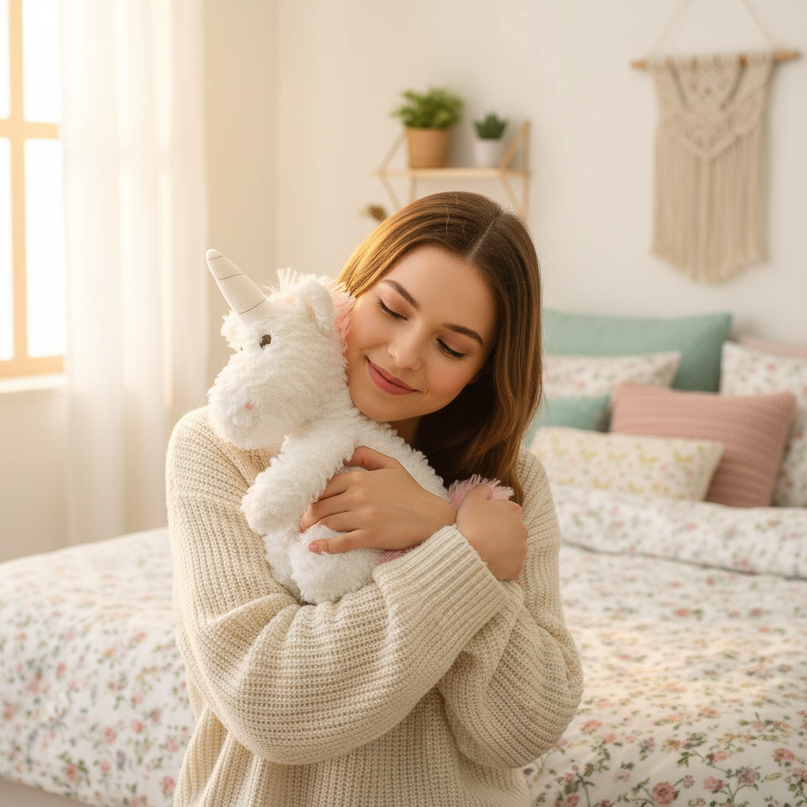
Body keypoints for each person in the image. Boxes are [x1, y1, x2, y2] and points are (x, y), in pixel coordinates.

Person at [166, 191, 583, 807]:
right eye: (392, 309)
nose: (405, 353)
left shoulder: (505, 485)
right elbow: (268, 702)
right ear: (351, 292)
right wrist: (460, 553)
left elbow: (524, 728)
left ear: (484, 371)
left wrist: (437, 526)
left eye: (452, 346)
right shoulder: (220, 445)